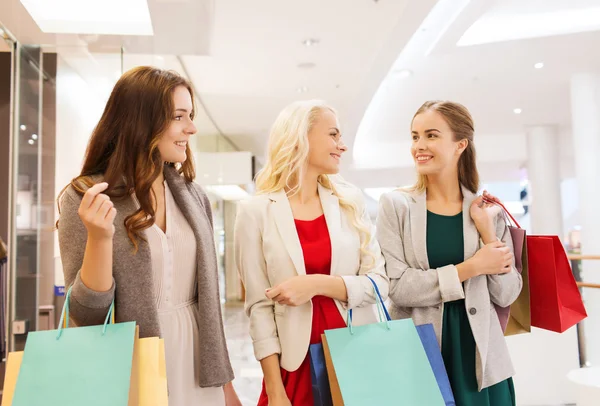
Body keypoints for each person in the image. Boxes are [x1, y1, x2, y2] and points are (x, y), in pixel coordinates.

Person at [57, 66, 241, 406]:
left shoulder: (194, 196)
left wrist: (226, 385)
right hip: (134, 362)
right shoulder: (85, 196)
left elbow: (207, 302)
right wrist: (99, 238)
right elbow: (86, 315)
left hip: (199, 363)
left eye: (191, 115)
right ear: (142, 122)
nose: (192, 127)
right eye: (179, 116)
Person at [234, 100, 389, 406]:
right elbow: (259, 307)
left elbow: (380, 283)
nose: (342, 146)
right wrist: (276, 391)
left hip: (353, 359)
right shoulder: (255, 211)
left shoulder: (349, 202)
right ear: (300, 138)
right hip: (292, 369)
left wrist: (316, 284)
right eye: (333, 135)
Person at [376, 100, 522, 406]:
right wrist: (471, 267)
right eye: (415, 136)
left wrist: (486, 232)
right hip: (421, 357)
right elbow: (399, 288)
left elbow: (507, 294)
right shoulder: (395, 206)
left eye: (431, 135)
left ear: (460, 145)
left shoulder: (488, 210)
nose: (419, 146)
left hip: (482, 365)